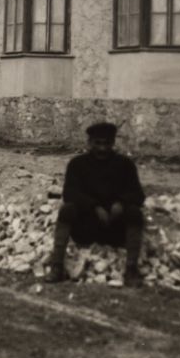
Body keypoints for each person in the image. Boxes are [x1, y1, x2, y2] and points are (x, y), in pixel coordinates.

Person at [46, 121, 146, 287]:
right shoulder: (77, 165)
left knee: (134, 212)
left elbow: (138, 194)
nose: (102, 148)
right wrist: (94, 207)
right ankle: (57, 266)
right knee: (67, 210)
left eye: (106, 143)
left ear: (113, 143)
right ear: (89, 143)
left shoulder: (125, 165)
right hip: (87, 227)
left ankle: (131, 270)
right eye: (97, 143)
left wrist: (120, 204)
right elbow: (69, 193)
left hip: (115, 228)